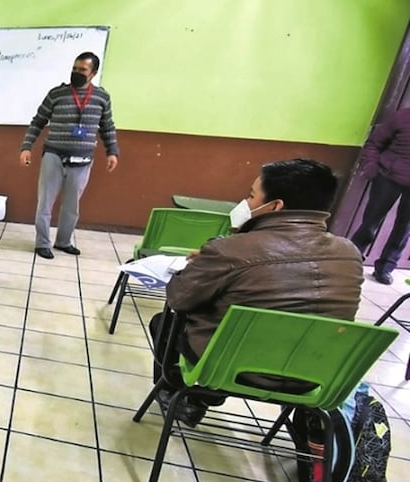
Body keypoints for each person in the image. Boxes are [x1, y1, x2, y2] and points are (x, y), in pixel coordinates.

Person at [151, 158, 363, 425]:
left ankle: (189, 398)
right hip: (313, 374)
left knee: (165, 323)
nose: (245, 203)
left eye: (251, 196)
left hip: (231, 369)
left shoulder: (231, 250)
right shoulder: (349, 254)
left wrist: (208, 259)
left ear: (275, 206)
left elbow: (179, 299)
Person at [19, 51, 120, 259]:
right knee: (45, 202)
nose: (77, 73)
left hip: (83, 159)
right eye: (74, 69)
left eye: (82, 70)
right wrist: (26, 147)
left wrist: (112, 152)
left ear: (93, 73)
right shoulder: (57, 94)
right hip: (54, 155)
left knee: (72, 205)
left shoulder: (101, 97)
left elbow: (107, 126)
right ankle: (42, 243)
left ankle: (64, 241)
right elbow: (37, 121)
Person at [349, 108, 410, 285]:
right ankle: (353, 260)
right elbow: (374, 143)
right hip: (387, 177)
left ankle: (385, 268)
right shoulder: (402, 116)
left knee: (404, 229)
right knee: (371, 221)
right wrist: (371, 168)